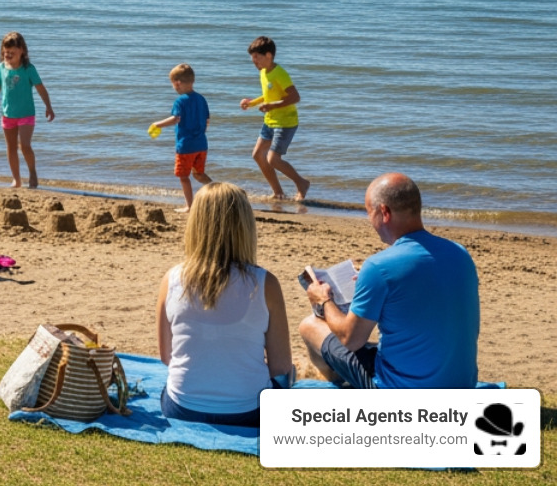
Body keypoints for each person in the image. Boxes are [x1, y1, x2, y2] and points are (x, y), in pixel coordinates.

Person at [299, 173, 479, 390]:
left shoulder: (378, 267)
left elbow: (351, 339)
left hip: (401, 391)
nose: (370, 221)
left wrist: (324, 300)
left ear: (384, 212)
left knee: (310, 325)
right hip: (461, 384)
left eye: (369, 212)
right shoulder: (460, 254)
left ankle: (336, 385)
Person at [155, 182, 293, 427]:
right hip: (249, 412)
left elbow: (167, 356)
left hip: (182, 407)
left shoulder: (171, 279)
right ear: (245, 227)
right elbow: (280, 365)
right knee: (287, 377)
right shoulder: (265, 284)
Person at [0, 31, 55, 189]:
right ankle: (16, 180)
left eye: (12, 52)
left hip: (26, 113)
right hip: (7, 114)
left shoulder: (28, 69)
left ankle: (32, 172)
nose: (8, 55)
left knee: (24, 145)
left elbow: (41, 88)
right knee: (11, 147)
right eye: (6, 52)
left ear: (22, 51)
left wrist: (48, 106)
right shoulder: (1, 67)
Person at [239, 36, 310, 200]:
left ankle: (302, 183)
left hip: (285, 123)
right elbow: (268, 95)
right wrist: (252, 103)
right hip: (270, 121)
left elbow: (295, 97)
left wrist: (272, 106)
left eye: (257, 57)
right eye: (252, 57)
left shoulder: (280, 73)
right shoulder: (264, 72)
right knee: (258, 155)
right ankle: (278, 192)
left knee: (273, 159)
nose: (253, 61)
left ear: (269, 55)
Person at [148, 63, 212, 210]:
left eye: (173, 84)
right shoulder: (201, 99)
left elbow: (175, 119)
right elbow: (207, 120)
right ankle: (217, 189)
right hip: (202, 144)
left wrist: (157, 124)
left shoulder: (180, 101)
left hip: (186, 146)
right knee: (199, 174)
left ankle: (189, 205)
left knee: (184, 177)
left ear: (177, 83)